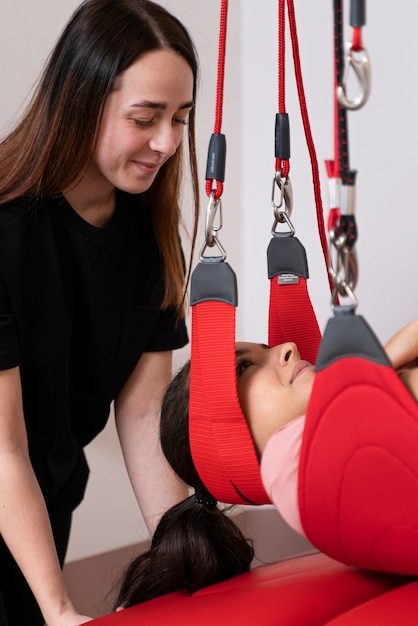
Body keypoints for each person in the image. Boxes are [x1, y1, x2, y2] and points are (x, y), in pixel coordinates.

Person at [0, 1, 200, 624]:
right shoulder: (6, 233)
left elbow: (143, 411)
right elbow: (2, 449)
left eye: (180, 119)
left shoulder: (149, 233)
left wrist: (185, 555)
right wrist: (60, 609)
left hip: (45, 494)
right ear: (81, 101)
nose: (166, 143)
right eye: (145, 118)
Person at [112, 318, 418, 609]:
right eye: (245, 367)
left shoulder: (347, 426)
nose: (289, 347)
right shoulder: (291, 464)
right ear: (227, 450)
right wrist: (381, 365)